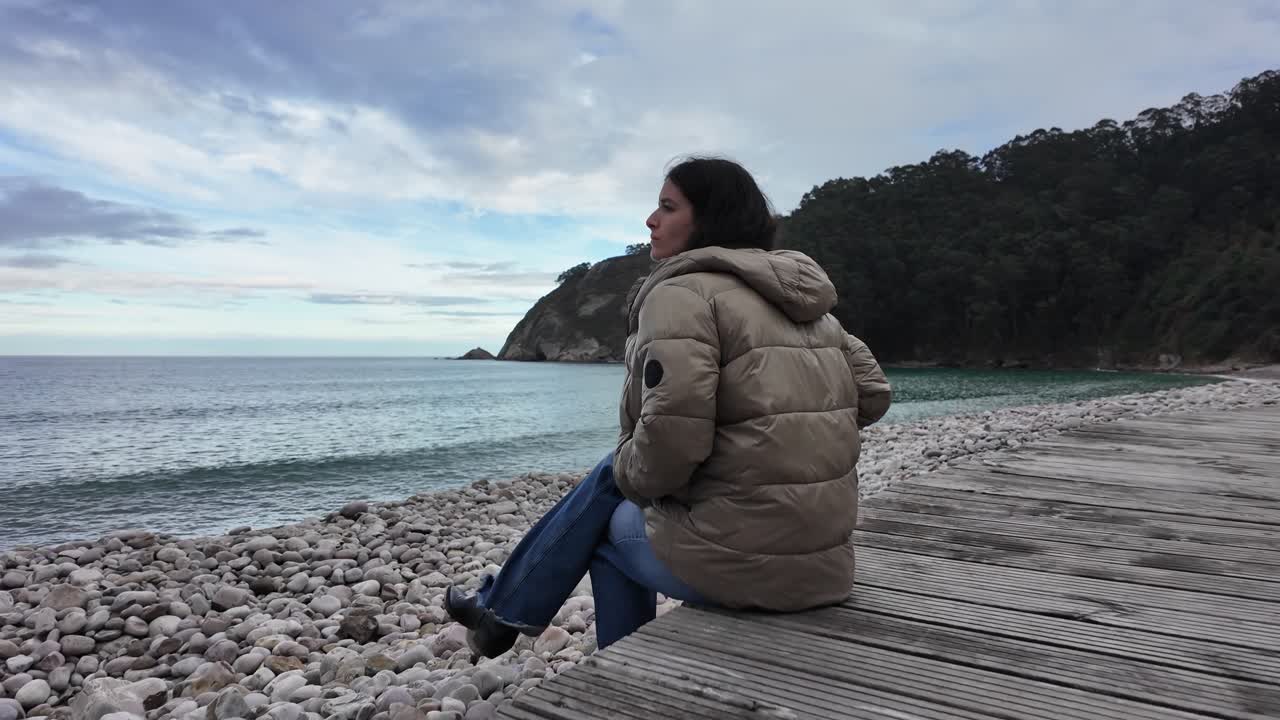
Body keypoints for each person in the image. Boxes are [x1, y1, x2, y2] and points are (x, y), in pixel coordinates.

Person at [445, 156, 892, 658]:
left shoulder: (682, 295)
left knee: (605, 519)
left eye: (666, 206)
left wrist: (633, 482)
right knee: (614, 475)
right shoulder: (807, 304)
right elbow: (873, 396)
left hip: (751, 569)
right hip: (825, 566)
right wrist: (779, 425)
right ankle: (500, 612)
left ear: (709, 218)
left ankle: (613, 669)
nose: (650, 220)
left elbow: (671, 444)